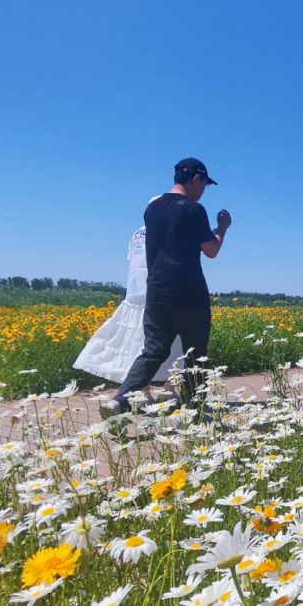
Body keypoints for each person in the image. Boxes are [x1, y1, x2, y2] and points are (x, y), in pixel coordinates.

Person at [103, 158, 229, 417]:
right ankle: (192, 412)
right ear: (196, 179)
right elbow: (211, 250)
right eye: (205, 184)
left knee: (153, 350)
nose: (204, 190)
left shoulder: (153, 208)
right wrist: (223, 229)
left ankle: (122, 399)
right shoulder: (194, 209)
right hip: (189, 291)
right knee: (195, 353)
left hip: (157, 290)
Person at [74, 215, 184, 384]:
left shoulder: (137, 233)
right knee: (172, 342)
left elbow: (130, 259)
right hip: (159, 290)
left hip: (135, 290)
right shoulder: (167, 228)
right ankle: (171, 388)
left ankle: (139, 389)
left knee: (134, 343)